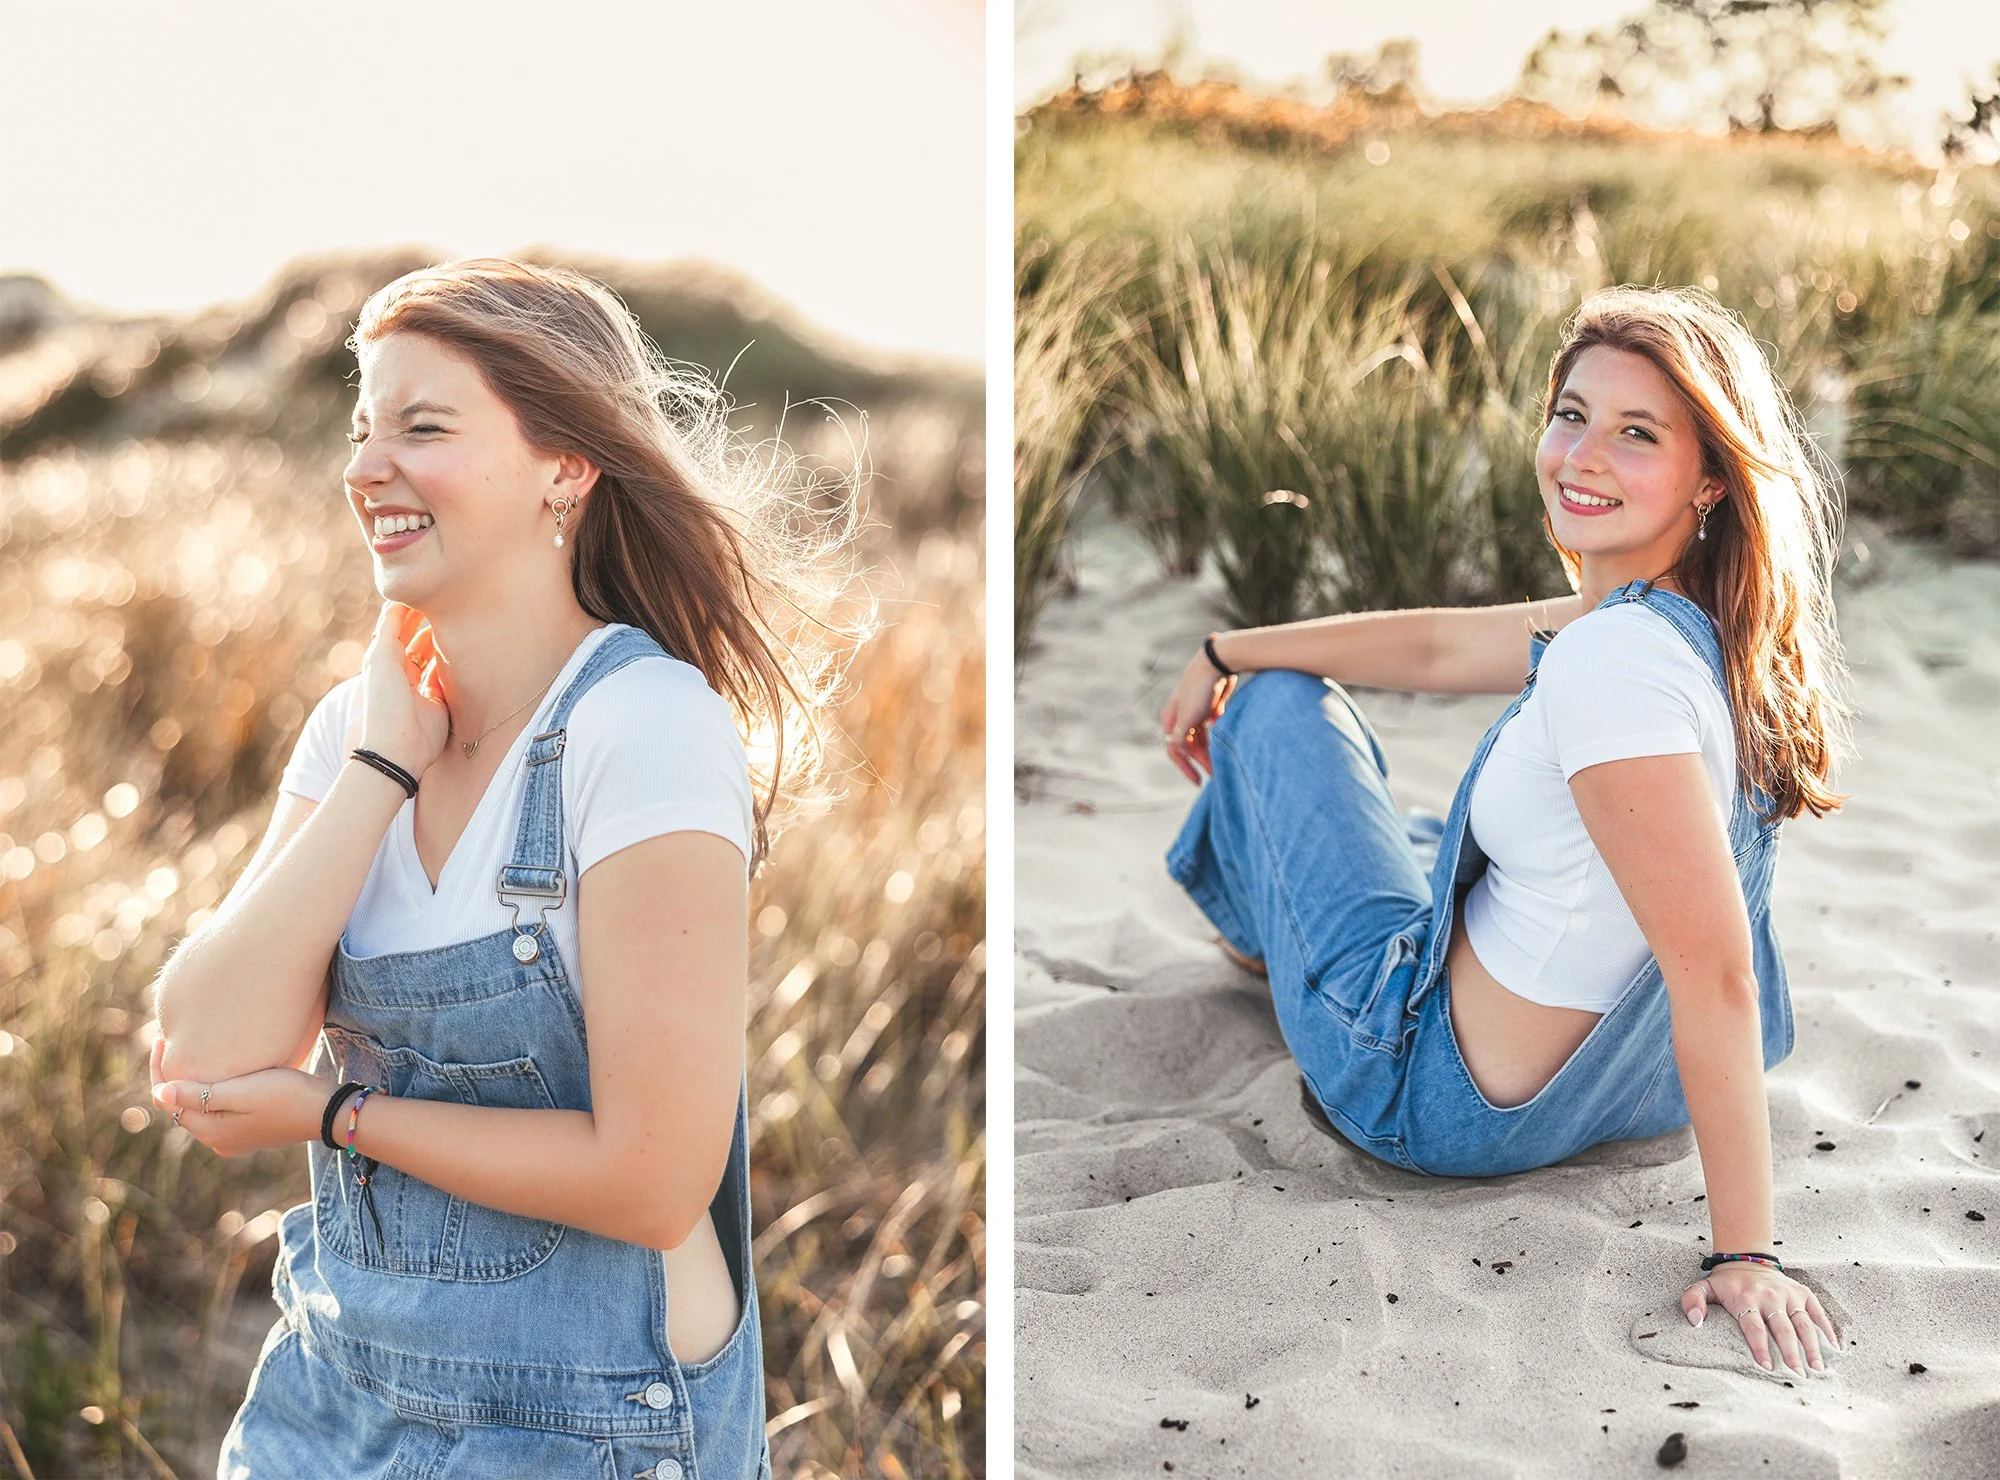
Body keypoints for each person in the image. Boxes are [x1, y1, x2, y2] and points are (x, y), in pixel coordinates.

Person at [146, 258, 863, 1478]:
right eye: (361, 430)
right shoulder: (356, 730)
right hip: (333, 1401)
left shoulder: (644, 724)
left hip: (587, 1425)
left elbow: (651, 1177)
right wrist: (380, 767)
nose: (366, 468)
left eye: (422, 428)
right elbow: (204, 1057)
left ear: (565, 466)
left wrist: (333, 1114)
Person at [1157, 285, 1853, 1381]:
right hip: (1628, 1087)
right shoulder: (1699, 626)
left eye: (1636, 433)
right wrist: (1227, 643)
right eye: (1571, 414)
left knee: (1279, 709)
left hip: (1425, 1094)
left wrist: (1746, 1254)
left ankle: (1260, 942)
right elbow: (1437, 650)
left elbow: (1713, 970)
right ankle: (1274, 923)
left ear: (1711, 478)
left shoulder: (1607, 666)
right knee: (1417, 818)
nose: (1581, 455)